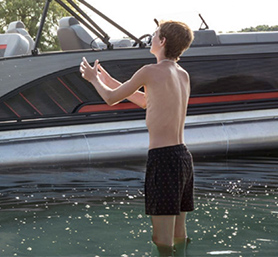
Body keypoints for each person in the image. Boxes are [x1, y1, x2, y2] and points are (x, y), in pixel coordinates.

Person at [79, 19, 195, 253]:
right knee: (178, 234)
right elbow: (147, 101)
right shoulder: (182, 75)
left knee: (161, 240)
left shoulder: (149, 71)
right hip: (183, 158)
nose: (151, 38)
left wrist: (93, 79)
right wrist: (111, 82)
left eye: (154, 35)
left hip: (163, 159)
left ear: (162, 41)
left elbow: (110, 98)